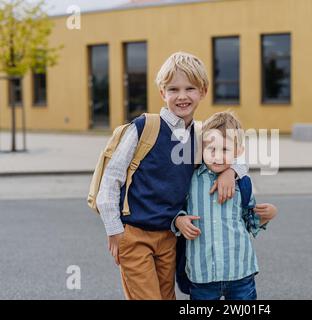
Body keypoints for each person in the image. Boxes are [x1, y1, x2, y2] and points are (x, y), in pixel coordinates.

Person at [96, 52, 248, 300]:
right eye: (173, 89)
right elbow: (112, 178)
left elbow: (237, 153)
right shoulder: (144, 128)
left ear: (203, 91)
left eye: (190, 88)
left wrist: (231, 171)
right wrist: (114, 231)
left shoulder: (200, 134)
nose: (182, 96)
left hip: (170, 238)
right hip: (134, 234)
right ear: (162, 93)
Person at [173, 111, 278, 300]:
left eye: (225, 150)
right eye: (211, 149)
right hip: (202, 273)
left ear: (238, 152)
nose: (217, 156)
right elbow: (175, 209)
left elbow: (250, 222)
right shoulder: (190, 181)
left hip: (240, 272)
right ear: (201, 148)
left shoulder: (243, 184)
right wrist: (179, 220)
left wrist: (267, 215)